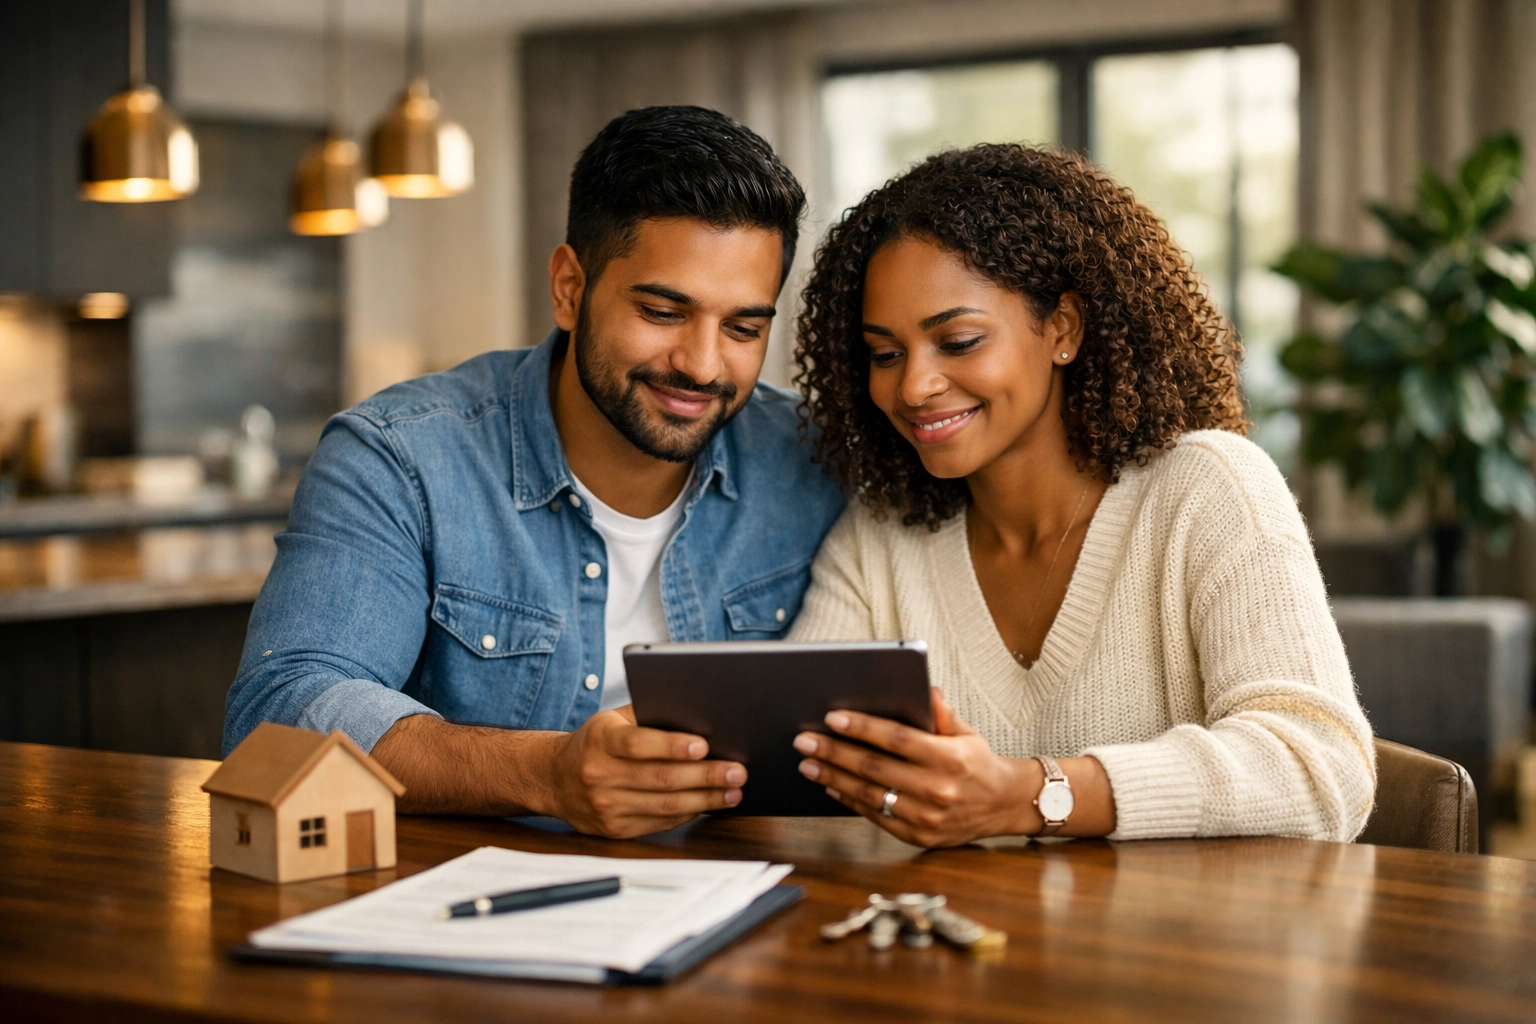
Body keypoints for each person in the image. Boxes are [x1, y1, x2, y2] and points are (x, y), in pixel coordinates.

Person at [224, 106, 844, 838]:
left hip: (736, 904)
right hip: (461, 910)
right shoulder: (400, 457)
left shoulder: (813, 460)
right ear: (570, 288)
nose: (703, 365)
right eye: (661, 311)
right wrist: (546, 774)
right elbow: (277, 717)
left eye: (743, 328)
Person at [787, 144, 1374, 848]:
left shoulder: (1208, 490)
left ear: (1062, 329)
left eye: (960, 341)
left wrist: (1031, 796)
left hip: (1189, 951)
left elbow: (1322, 771)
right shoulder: (880, 537)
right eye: (885, 354)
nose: (913, 386)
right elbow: (799, 772)